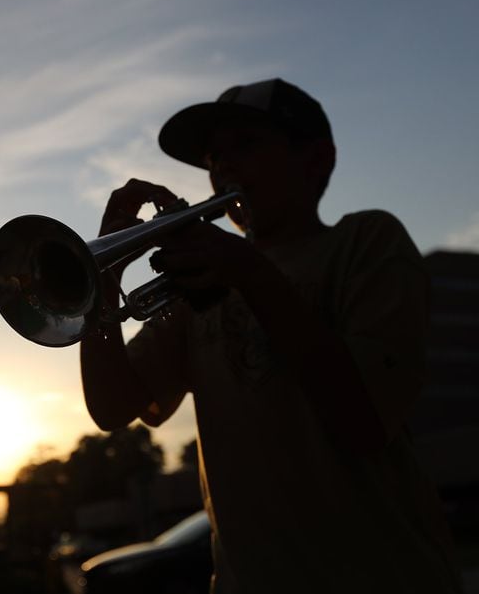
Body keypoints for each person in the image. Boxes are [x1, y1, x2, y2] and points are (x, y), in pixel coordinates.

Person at [80, 78, 463, 593]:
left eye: (247, 145)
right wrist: (99, 283)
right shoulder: (197, 289)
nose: (223, 168)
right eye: (214, 157)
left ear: (316, 160)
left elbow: (363, 421)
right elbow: (111, 405)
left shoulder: (365, 241)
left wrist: (248, 270)